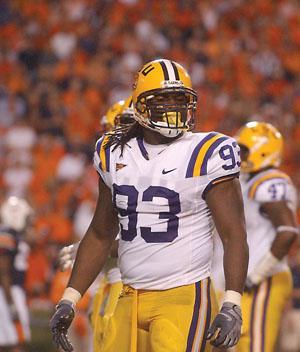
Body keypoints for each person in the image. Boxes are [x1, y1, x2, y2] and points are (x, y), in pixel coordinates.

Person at [50, 59, 249, 352]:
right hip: (128, 295)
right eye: (163, 99)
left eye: (179, 99)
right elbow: (101, 233)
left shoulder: (207, 153)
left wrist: (232, 302)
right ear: (141, 105)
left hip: (183, 294)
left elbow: (234, 234)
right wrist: (69, 297)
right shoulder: (113, 151)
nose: (173, 107)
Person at [212, 121, 299, 352]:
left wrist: (258, 274)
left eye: (244, 150)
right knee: (239, 343)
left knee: (255, 346)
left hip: (263, 280)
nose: (240, 155)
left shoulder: (269, 180)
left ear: (262, 150)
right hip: (250, 282)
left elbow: (288, 231)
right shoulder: (246, 181)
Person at [58, 97, 135, 351]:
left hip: (136, 285)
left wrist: (87, 249)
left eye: (112, 130)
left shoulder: (144, 175)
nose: (108, 138)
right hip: (112, 281)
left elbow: (141, 239)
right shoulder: (113, 174)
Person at [0, 196, 33, 352]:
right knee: (17, 341)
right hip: (9, 291)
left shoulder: (13, 234)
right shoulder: (6, 234)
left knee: (15, 339)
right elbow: (3, 269)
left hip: (11, 290)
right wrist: (11, 301)